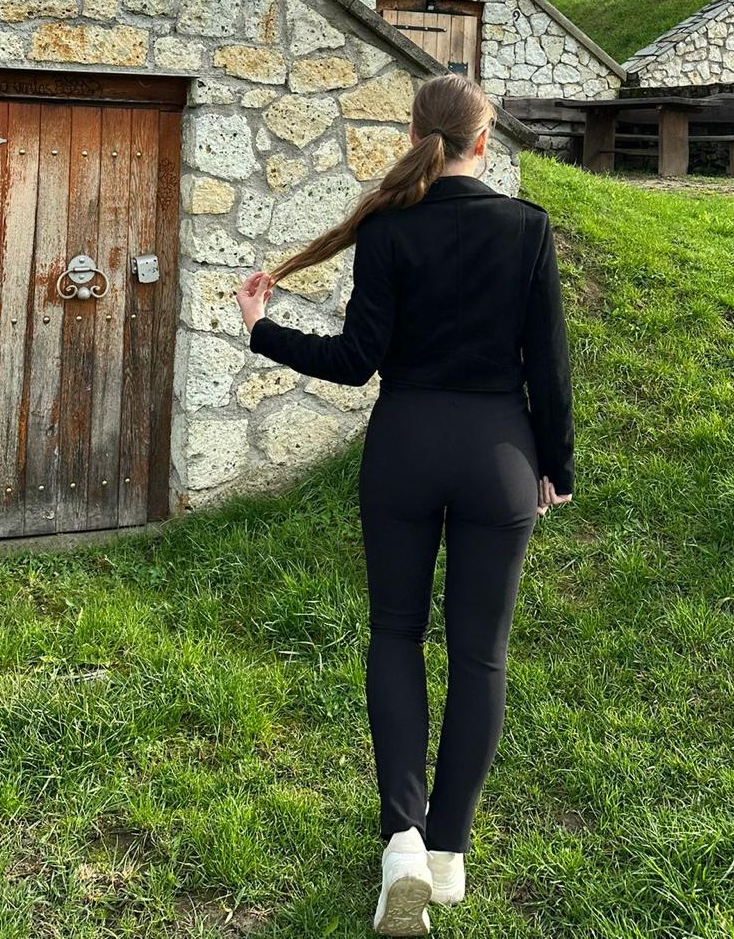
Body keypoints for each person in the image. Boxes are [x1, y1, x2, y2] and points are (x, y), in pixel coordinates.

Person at [234, 72, 575, 936]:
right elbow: (550, 370)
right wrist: (556, 467)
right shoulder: (528, 229)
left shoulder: (388, 229)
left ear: (417, 133)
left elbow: (355, 360)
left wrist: (260, 329)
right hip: (500, 455)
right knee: (480, 658)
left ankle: (403, 841)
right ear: (483, 142)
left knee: (395, 634)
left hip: (404, 451)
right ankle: (449, 852)